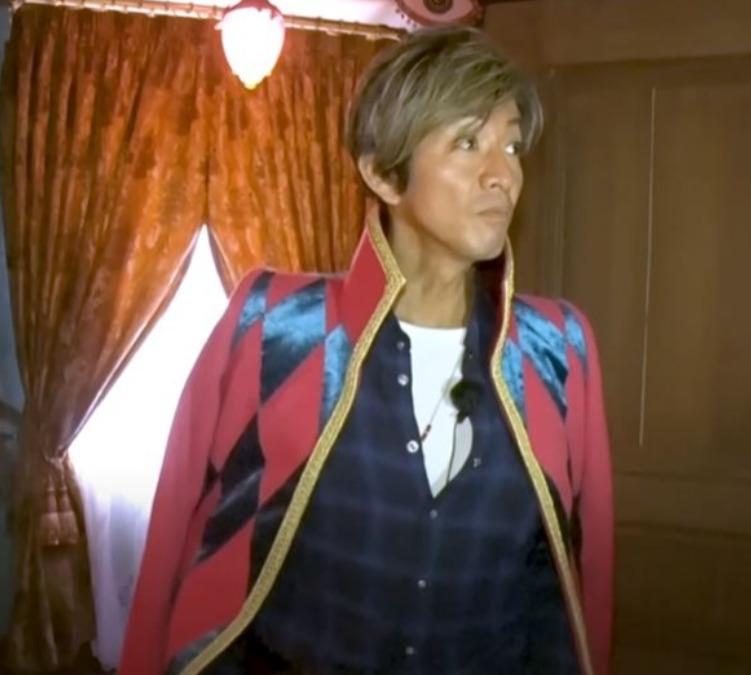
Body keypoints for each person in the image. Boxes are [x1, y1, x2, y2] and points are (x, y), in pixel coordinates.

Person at [122, 25, 612, 675]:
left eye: (513, 144)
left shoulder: (557, 353)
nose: (504, 174)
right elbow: (178, 536)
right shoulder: (275, 327)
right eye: (469, 142)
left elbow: (576, 584)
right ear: (383, 173)